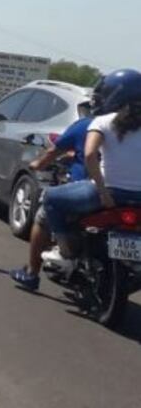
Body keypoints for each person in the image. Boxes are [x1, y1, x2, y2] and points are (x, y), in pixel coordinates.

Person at [42, 69, 141, 260]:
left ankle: (64, 250)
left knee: (50, 198)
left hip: (107, 194)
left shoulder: (102, 121)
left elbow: (89, 155)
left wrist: (103, 192)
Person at [9, 97, 95, 290]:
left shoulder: (91, 125)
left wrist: (38, 164)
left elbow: (54, 152)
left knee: (44, 212)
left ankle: (31, 273)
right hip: (130, 197)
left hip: (91, 190)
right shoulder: (130, 130)